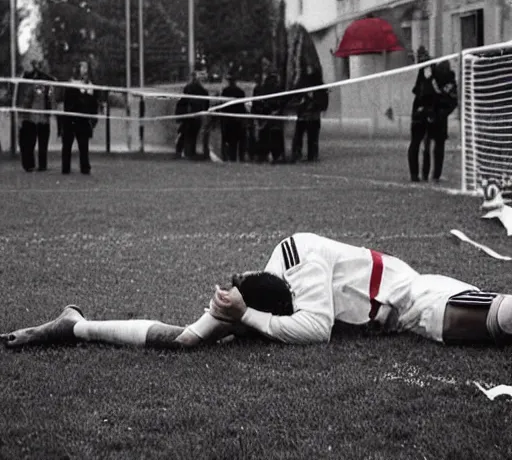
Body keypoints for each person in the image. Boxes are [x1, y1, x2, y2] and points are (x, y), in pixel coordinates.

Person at [3, 232, 512, 349]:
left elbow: (315, 330)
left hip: (414, 297)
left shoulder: (301, 257)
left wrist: (247, 318)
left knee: (499, 320)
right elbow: (184, 339)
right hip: (397, 320)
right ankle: (76, 321)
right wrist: (78, 328)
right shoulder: (249, 288)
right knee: (187, 345)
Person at [59, 60, 100, 175]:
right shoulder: (71, 84)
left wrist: (93, 117)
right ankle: (65, 168)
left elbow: (93, 103)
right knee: (67, 145)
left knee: (83, 145)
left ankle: (85, 167)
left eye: (86, 68)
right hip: (71, 120)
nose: (85, 70)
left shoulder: (92, 86)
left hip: (83, 121)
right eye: (82, 68)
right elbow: (68, 102)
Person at [422, 60, 458, 183]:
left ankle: (435, 175)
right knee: (427, 145)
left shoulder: (450, 82)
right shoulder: (432, 78)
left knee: (438, 147)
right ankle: (425, 174)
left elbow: (453, 101)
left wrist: (443, 113)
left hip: (440, 118)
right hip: (431, 115)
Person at [17, 60, 55, 172]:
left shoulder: (49, 82)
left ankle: (42, 165)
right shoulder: (29, 81)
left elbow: (51, 97)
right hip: (32, 117)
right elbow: (26, 99)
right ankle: (30, 165)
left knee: (43, 142)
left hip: (44, 117)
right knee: (30, 142)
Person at [407, 46, 437, 182]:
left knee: (426, 144)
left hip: (426, 110)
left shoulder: (430, 71)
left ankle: (424, 173)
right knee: (417, 143)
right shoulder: (419, 73)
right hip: (420, 111)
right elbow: (419, 91)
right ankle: (415, 174)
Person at [291, 64, 328, 163]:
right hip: (303, 114)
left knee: (313, 137)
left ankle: (312, 155)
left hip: (313, 115)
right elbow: (295, 95)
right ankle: (296, 154)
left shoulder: (319, 84)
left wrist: (314, 101)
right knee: (298, 136)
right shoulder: (302, 83)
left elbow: (323, 99)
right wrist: (301, 102)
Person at [179, 72, 209, 159]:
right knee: (192, 134)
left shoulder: (189, 88)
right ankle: (189, 151)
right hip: (195, 115)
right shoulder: (200, 89)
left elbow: (183, 100)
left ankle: (186, 151)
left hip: (190, 114)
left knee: (188, 134)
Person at [220, 72, 247, 162]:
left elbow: (223, 105)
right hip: (237, 118)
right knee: (239, 140)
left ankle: (231, 157)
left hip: (228, 119)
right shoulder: (240, 92)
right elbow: (242, 106)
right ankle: (240, 157)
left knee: (230, 141)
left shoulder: (225, 91)